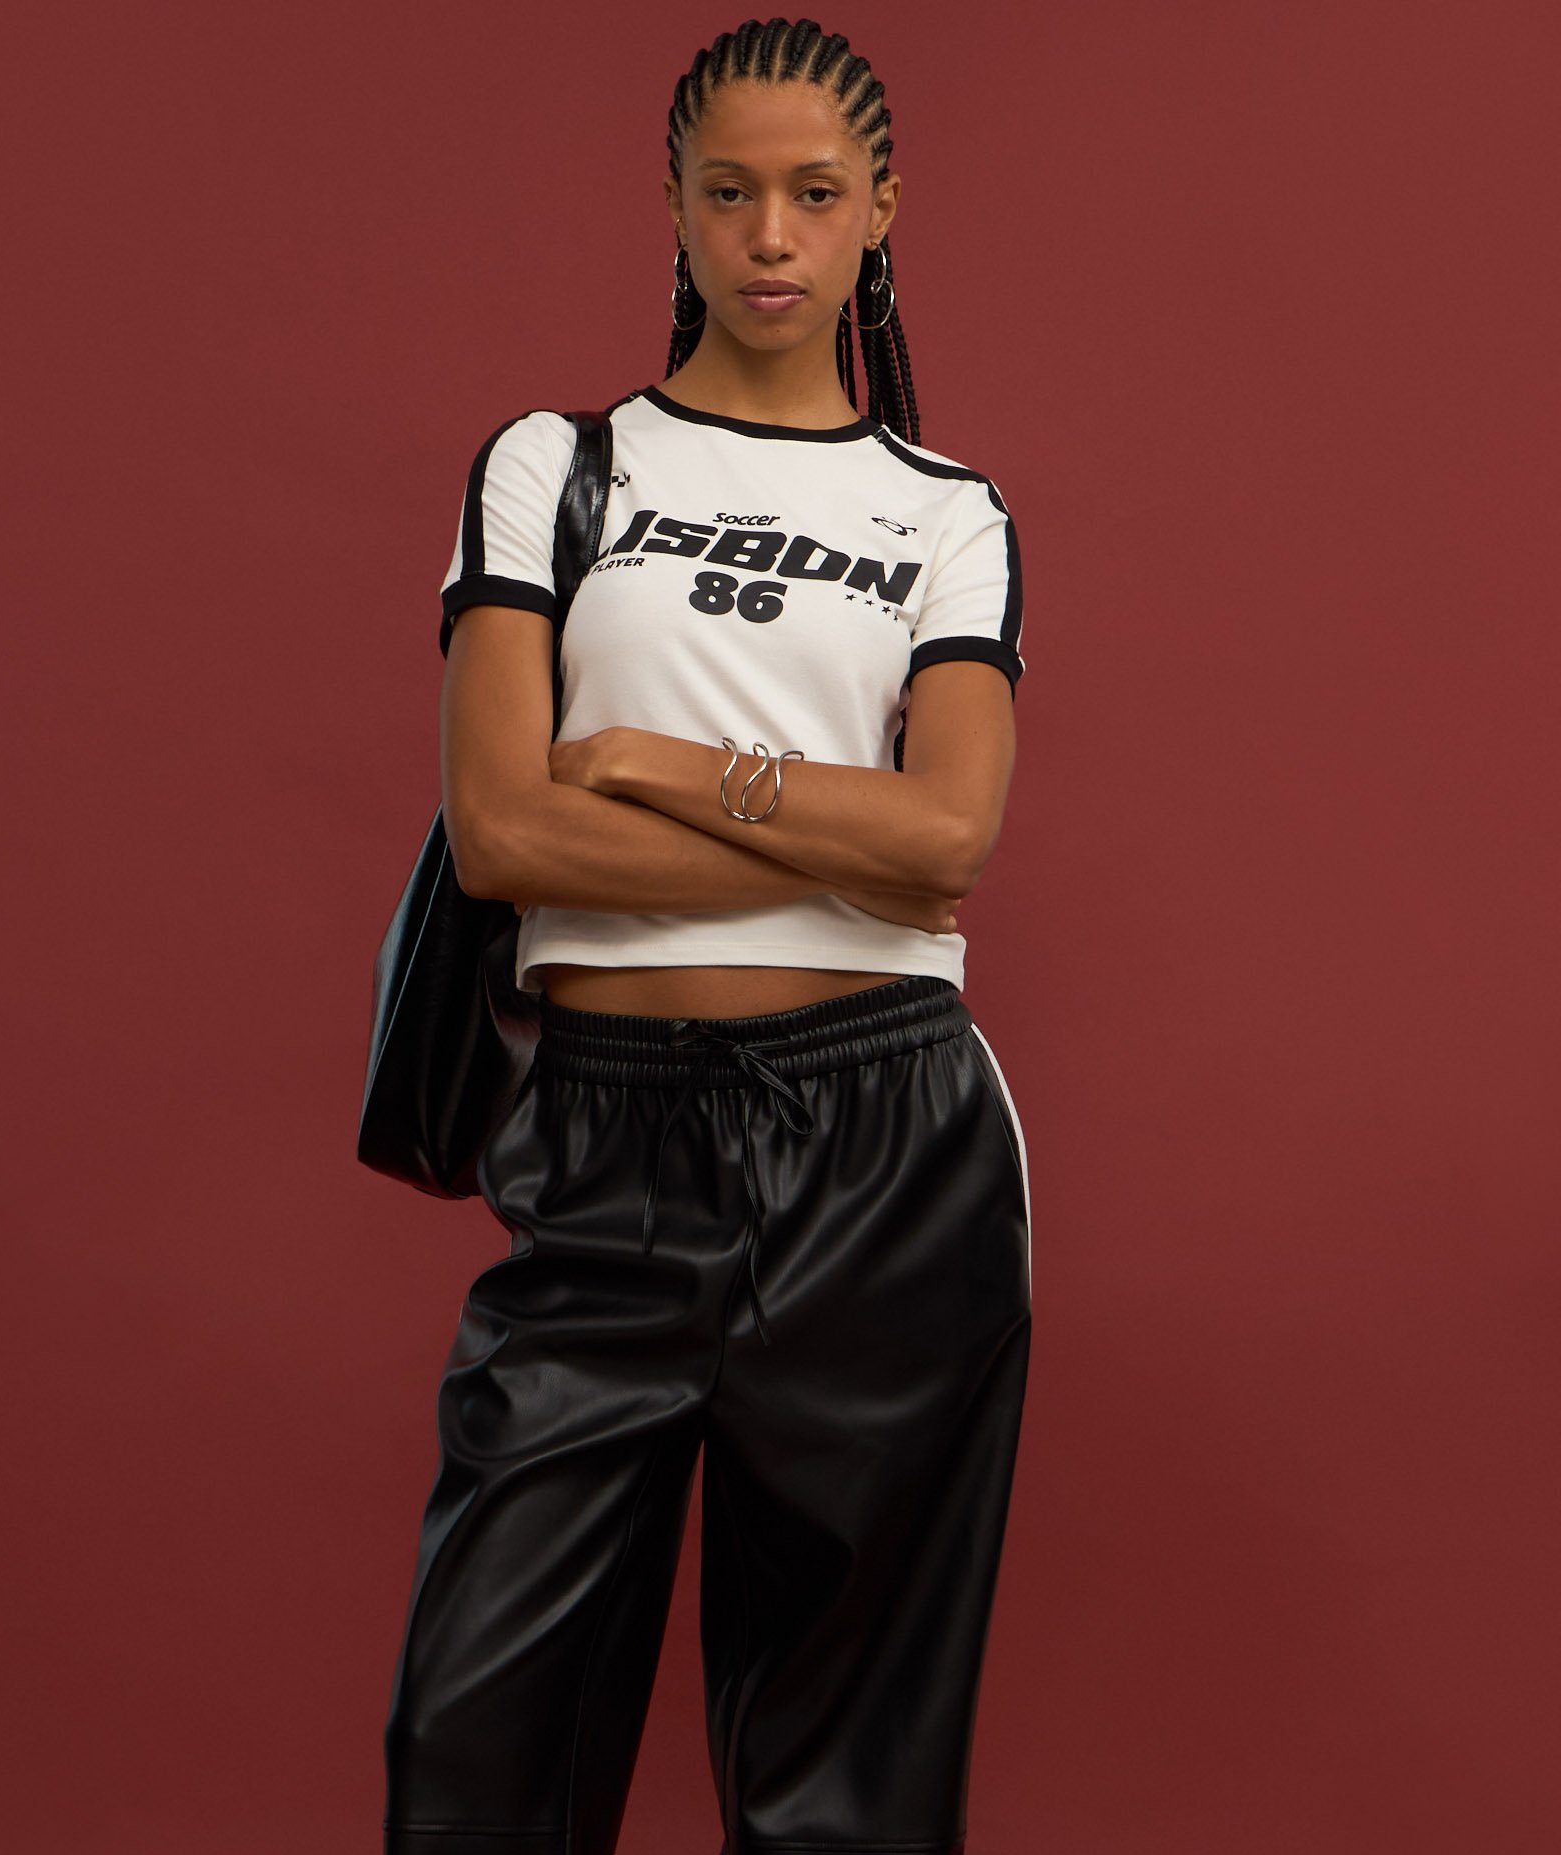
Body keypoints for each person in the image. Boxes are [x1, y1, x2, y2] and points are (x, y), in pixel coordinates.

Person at [382, 18, 1033, 1855]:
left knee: (847, 1800)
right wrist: (850, 857)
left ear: (880, 210)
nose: (770, 235)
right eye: (730, 191)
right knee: (474, 1760)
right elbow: (508, 831)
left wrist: (659, 766)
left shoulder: (949, 516)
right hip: (608, 1148)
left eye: (815, 195)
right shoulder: (554, 467)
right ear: (672, 203)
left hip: (890, 1164)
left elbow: (953, 838)